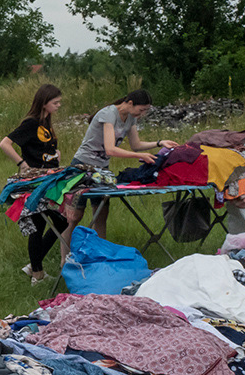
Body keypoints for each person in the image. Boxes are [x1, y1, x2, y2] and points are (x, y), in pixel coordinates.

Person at [57, 89, 178, 258]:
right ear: (130, 103)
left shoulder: (131, 118)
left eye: (145, 111)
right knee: (74, 217)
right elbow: (110, 149)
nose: (142, 114)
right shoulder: (108, 114)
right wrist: (140, 156)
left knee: (101, 215)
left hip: (101, 171)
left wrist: (159, 143)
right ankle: (64, 260)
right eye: (141, 110)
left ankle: (101, 256)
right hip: (82, 168)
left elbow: (136, 145)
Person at [0, 84, 66, 283]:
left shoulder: (46, 123)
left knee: (61, 222)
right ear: (44, 103)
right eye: (55, 102)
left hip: (49, 179)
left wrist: (55, 155)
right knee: (38, 224)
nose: (59, 105)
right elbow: (4, 144)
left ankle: (33, 266)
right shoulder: (31, 123)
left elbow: (42, 149)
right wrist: (22, 164)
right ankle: (37, 274)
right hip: (35, 182)